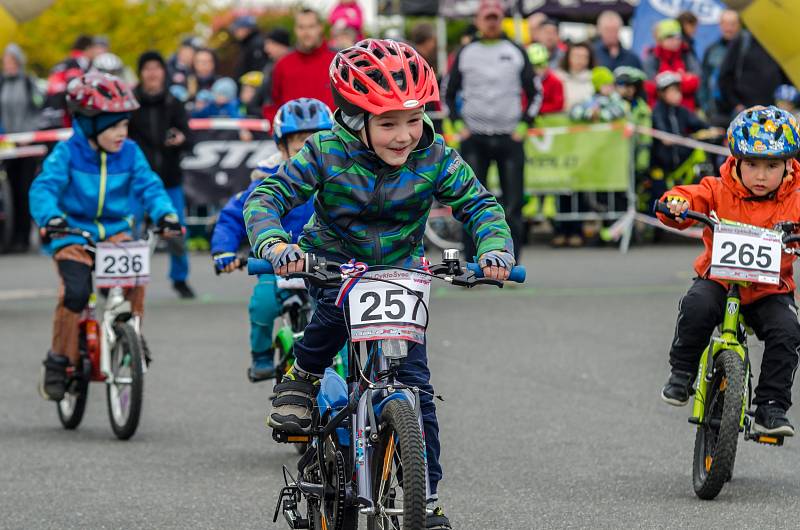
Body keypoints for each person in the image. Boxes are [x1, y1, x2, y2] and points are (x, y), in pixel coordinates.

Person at [245, 38, 515, 530]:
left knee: (418, 389)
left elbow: (481, 205)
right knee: (331, 313)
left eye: (413, 120)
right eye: (387, 122)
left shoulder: (435, 156)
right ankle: (302, 378)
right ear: (352, 118)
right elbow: (267, 197)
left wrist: (495, 251)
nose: (404, 135)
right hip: (331, 262)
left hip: (401, 270)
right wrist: (276, 246)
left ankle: (426, 498)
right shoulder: (324, 151)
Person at [29, 72, 181, 401]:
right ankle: (58, 360)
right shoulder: (67, 153)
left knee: (135, 279)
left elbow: (150, 186)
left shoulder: (130, 153)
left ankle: (132, 332)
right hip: (71, 234)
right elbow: (43, 188)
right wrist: (51, 217)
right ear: (87, 124)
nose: (121, 134)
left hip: (115, 234)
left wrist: (165, 214)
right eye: (113, 126)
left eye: (125, 125)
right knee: (75, 293)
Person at [657, 105, 800, 437]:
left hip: (769, 289)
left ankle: (771, 407)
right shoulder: (717, 188)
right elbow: (686, 196)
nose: (761, 176)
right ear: (736, 161)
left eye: (771, 166)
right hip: (720, 280)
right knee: (696, 305)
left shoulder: (794, 198)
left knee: (788, 331)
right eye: (752, 165)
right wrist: (675, 204)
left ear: (789, 165)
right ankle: (682, 373)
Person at [212, 98, 333, 381]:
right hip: (278, 266)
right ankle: (262, 356)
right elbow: (234, 216)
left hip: (326, 265)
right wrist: (224, 251)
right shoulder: (267, 180)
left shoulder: (339, 177)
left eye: (318, 140)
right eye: (301, 142)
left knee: (336, 319)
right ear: (281, 147)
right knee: (263, 304)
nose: (309, 150)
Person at [444, 0, 536, 261]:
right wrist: (458, 125)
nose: (492, 22)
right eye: (487, 17)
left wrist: (524, 123)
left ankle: (511, 262)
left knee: (513, 204)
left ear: (502, 19)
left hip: (510, 138)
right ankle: (472, 263)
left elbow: (534, 91)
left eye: (496, 17)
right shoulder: (465, 51)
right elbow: (447, 92)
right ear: (478, 20)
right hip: (474, 139)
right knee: (470, 203)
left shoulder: (517, 50)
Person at [128, 51, 196, 299]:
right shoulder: (130, 102)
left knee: (176, 230)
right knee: (130, 229)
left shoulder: (173, 101)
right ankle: (124, 280)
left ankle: (180, 279)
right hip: (136, 180)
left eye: (157, 67)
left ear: (163, 72)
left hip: (169, 179)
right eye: (147, 68)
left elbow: (190, 137)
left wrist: (181, 139)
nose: (152, 73)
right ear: (141, 73)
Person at [648, 72, 719, 211]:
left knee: (701, 154)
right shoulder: (657, 111)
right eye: (672, 91)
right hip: (663, 165)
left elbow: (698, 123)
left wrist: (711, 129)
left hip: (682, 160)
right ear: (662, 93)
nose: (677, 94)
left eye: (678, 90)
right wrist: (683, 138)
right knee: (659, 198)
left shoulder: (682, 111)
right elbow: (665, 137)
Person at [1, 43, 43, 253]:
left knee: (23, 190)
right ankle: (9, 236)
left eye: (12, 61)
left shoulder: (28, 82)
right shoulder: (2, 83)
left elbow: (39, 107)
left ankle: (24, 236)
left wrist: (30, 133)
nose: (8, 65)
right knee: (8, 189)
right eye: (6, 61)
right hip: (7, 144)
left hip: (27, 142)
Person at [262, 8, 337, 121]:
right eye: (301, 27)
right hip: (294, 136)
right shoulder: (282, 65)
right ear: (295, 29)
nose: (306, 32)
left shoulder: (337, 62)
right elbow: (271, 105)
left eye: (311, 26)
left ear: (320, 28)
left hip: (332, 136)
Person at [718, 30, 790, 117]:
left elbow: (787, 76)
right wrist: (736, 104)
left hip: (774, 111)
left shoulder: (779, 43)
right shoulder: (743, 41)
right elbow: (725, 76)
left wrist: (787, 103)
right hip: (746, 110)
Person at [642, 19, 701, 111]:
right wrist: (681, 78)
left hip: (686, 112)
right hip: (660, 113)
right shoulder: (652, 58)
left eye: (678, 37)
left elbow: (695, 81)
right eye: (670, 37)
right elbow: (650, 87)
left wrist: (666, 81)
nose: (676, 41)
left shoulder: (686, 54)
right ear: (660, 40)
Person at [698, 9, 741, 127]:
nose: (729, 28)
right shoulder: (712, 50)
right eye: (726, 24)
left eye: (733, 24)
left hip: (740, 110)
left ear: (738, 25)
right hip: (716, 110)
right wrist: (705, 107)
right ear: (720, 25)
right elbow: (704, 80)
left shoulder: (745, 51)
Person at [41, 35, 92, 128]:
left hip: (49, 108)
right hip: (63, 108)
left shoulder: (63, 61)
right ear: (88, 48)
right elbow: (73, 86)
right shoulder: (77, 62)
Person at [614, 66, 652, 187]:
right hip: (615, 159)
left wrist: (642, 165)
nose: (628, 90)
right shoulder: (612, 106)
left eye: (632, 86)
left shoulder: (643, 110)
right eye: (624, 85)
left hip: (635, 159)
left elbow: (645, 140)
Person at [555, 41, 595, 112]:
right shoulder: (557, 77)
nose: (580, 60)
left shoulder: (594, 77)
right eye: (576, 56)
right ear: (568, 57)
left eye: (584, 57)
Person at [527, 43, 564, 115]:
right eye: (533, 65)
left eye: (540, 64)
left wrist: (535, 109)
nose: (536, 69)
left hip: (549, 121)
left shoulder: (555, 81)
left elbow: (558, 105)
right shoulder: (525, 81)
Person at [230, 15, 268, 80]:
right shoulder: (248, 43)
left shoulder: (256, 45)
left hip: (251, 87)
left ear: (247, 29)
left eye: (237, 29)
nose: (235, 32)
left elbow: (257, 71)